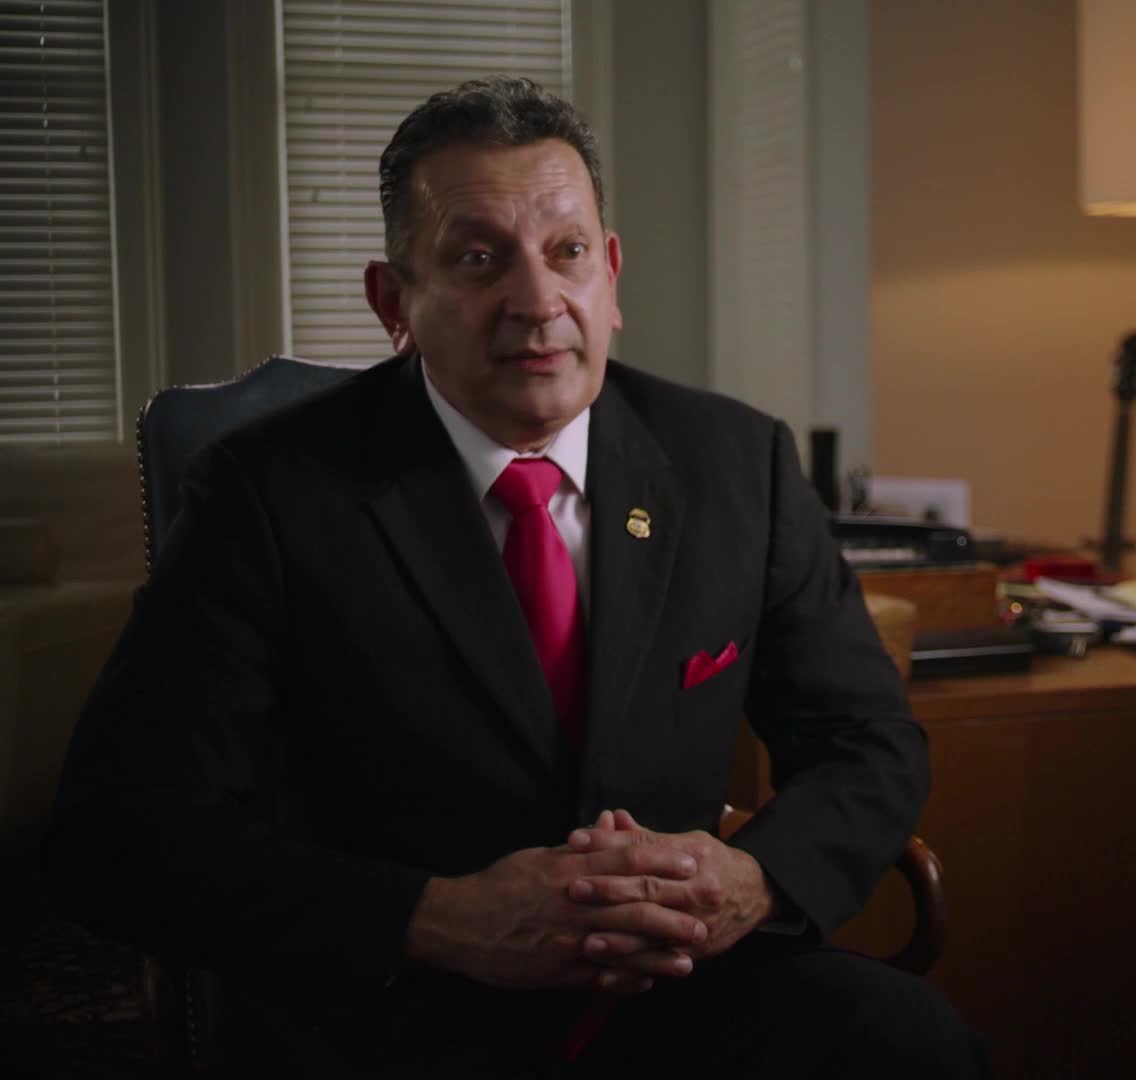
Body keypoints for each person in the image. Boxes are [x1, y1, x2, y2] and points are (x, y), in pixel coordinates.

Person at [45, 75, 987, 1078]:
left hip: (675, 983)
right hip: (399, 1001)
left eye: (567, 251)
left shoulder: (734, 465)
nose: (537, 301)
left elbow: (867, 741)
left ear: (612, 278)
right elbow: (122, 826)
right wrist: (439, 918)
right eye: (478, 257)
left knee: (912, 1045)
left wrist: (751, 879)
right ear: (393, 301)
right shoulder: (269, 493)